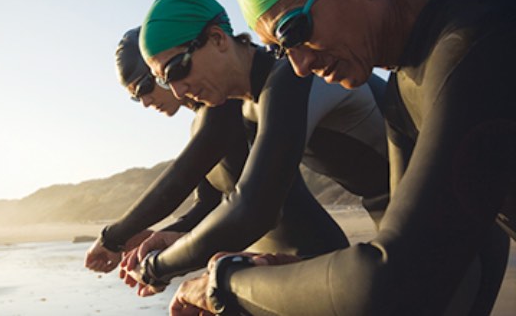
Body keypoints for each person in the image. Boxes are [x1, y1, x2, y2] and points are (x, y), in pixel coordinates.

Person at [166, 0, 515, 315]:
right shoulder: (402, 89)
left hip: (466, 255)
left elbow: (394, 281)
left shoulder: (479, 38)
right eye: (280, 50)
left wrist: (225, 282)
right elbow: (392, 255)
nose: (299, 65)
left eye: (293, 29)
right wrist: (285, 275)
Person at [124, 0, 390, 299]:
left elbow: (254, 208)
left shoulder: (291, 76)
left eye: (177, 70)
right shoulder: (250, 106)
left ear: (217, 39)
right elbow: (231, 198)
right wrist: (176, 237)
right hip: (395, 218)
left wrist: (157, 267)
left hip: (430, 207)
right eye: (165, 82)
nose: (179, 91)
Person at [85, 26, 371, 283]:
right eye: (135, 96)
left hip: (309, 255)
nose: (146, 101)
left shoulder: (227, 106)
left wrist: (115, 238)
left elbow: (182, 178)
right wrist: (163, 240)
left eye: (146, 86)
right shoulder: (205, 121)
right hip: (262, 262)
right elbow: (209, 204)